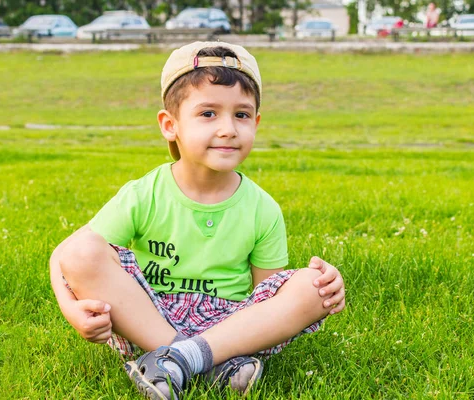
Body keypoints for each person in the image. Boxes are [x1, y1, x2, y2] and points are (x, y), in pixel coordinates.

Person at [49, 41, 346, 400]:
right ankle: (203, 362)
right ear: (170, 125)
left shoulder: (262, 208)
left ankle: (175, 363)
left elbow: (268, 298)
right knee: (82, 250)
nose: (228, 129)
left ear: (256, 122)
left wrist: (324, 287)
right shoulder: (146, 193)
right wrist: (73, 311)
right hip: (149, 317)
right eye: (208, 114)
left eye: (241, 115)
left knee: (313, 284)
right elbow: (65, 255)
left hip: (230, 325)